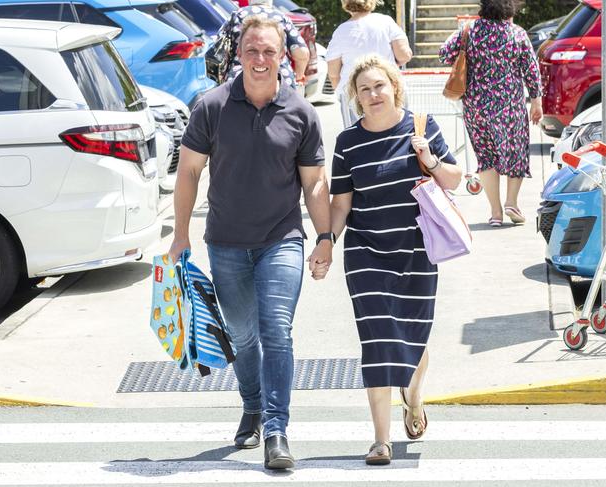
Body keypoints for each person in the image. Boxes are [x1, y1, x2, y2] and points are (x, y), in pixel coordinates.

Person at [168, 15, 332, 470]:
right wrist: (180, 235)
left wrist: (324, 238)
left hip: (282, 239)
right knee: (241, 335)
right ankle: (253, 403)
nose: (261, 60)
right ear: (238, 55)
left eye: (269, 51)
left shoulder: (301, 112)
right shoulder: (211, 106)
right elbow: (188, 173)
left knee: (276, 330)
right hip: (226, 242)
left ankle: (277, 431)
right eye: (252, 51)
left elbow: (315, 183)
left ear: (284, 57)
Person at [321, 55, 461, 465]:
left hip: (417, 251)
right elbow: (341, 203)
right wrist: (326, 241)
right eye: (364, 89)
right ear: (355, 97)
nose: (373, 94)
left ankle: (413, 398)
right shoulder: (348, 142)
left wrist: (429, 159)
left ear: (394, 87)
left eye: (379, 85)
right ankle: (381, 440)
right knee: (378, 341)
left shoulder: (420, 126)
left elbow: (454, 179)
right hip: (366, 252)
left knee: (414, 338)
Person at [439, 0, 542, 227]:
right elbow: (531, 70)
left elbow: (444, 54)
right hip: (510, 106)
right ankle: (511, 202)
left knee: (486, 157)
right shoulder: (517, 33)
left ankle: (495, 213)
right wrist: (536, 101)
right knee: (515, 152)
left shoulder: (470, 30)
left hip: (476, 107)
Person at [326, 0, 412, 127]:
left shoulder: (340, 31)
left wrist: (344, 94)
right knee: (399, 132)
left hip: (357, 96)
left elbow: (333, 73)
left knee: (359, 139)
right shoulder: (385, 22)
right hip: (387, 89)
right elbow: (404, 55)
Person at [219, 0, 310, 89]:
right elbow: (302, 53)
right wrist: (299, 77)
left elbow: (217, 50)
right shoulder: (282, 18)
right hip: (280, 80)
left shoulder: (237, 15)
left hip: (240, 79)